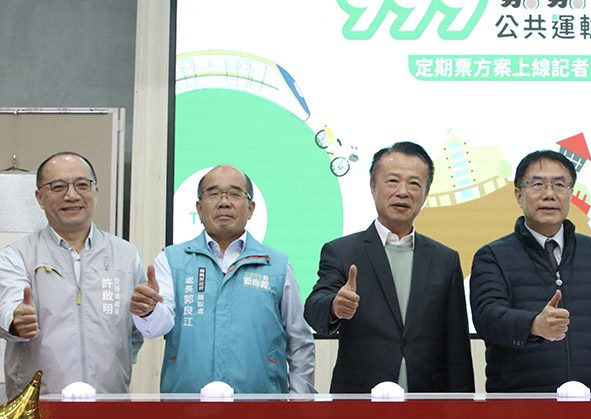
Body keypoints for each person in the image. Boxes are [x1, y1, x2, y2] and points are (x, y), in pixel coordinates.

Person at [303, 141, 473, 393]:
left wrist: (462, 406)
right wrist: (334, 307)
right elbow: (313, 309)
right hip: (360, 396)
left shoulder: (445, 260)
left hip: (427, 397)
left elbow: (457, 346)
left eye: (414, 184)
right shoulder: (342, 252)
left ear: (426, 194)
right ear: (373, 186)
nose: (403, 192)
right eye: (392, 181)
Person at [130, 164, 315, 394]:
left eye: (235, 194)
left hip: (261, 407)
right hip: (186, 406)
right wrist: (147, 311)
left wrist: (299, 402)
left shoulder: (277, 265)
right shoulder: (171, 260)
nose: (224, 202)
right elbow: (157, 327)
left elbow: (300, 342)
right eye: (213, 194)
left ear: (250, 208)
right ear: (199, 208)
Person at [470, 150, 591, 392]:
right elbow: (487, 318)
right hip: (522, 399)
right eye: (537, 184)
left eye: (559, 185)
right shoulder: (492, 256)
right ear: (519, 195)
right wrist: (533, 325)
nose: (549, 194)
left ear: (571, 193)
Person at [0, 151, 147, 397]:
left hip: (109, 402)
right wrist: (16, 323)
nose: (72, 195)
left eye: (82, 185)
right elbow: (8, 305)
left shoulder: (126, 255)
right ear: (39, 197)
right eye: (58, 187)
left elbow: (134, 333)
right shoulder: (18, 255)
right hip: (38, 406)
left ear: (96, 191)